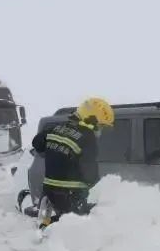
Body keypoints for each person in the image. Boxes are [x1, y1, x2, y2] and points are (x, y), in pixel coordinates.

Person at [31, 97, 114, 229]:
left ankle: (46, 231)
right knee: (77, 228)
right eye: (101, 125)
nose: (100, 130)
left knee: (58, 224)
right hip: (72, 195)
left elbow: (37, 143)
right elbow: (89, 172)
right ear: (91, 119)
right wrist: (98, 187)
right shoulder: (87, 137)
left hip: (49, 191)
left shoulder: (57, 129)